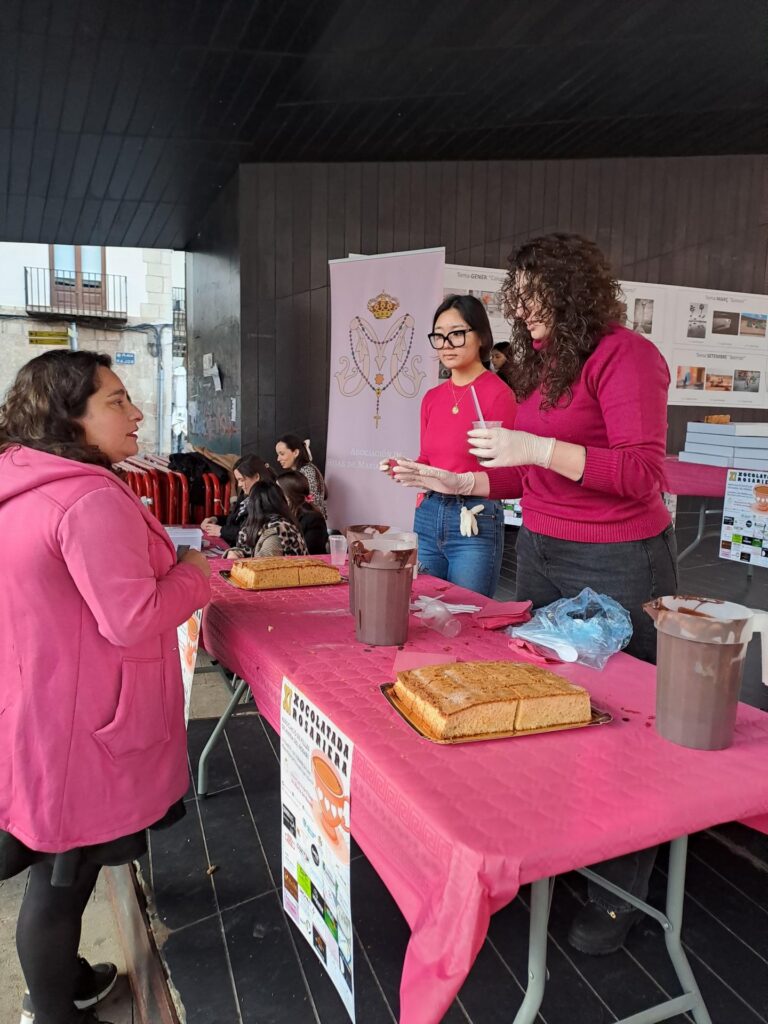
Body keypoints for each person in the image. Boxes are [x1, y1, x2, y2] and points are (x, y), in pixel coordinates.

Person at [391, 234, 678, 955]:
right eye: (515, 297)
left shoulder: (625, 357)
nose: (521, 309)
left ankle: (622, 888)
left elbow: (642, 473)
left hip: (619, 558)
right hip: (544, 552)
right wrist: (462, 481)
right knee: (554, 699)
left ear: (573, 288)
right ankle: (567, 842)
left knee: (626, 717)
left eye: (532, 293)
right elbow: (528, 474)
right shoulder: (541, 368)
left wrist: (540, 448)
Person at [0, 350, 211, 1024]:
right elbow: (134, 616)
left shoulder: (22, 479)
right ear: (69, 417)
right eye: (116, 401)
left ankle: (63, 982)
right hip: (80, 720)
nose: (136, 412)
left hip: (38, 699)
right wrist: (195, 570)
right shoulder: (88, 497)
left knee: (62, 861)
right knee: (63, 875)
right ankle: (52, 1011)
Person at [381, 294, 517, 597]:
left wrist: (462, 482)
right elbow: (428, 459)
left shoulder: (499, 395)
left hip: (474, 516)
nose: (445, 344)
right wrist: (408, 468)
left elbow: (511, 476)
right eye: (439, 336)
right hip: (429, 513)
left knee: (468, 611)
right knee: (424, 609)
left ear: (481, 337)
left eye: (456, 334)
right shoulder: (432, 398)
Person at [200, 454, 275, 545]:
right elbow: (235, 519)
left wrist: (222, 531)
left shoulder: (267, 500)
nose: (239, 484)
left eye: (242, 480)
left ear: (256, 477)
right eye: (238, 480)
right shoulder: (246, 494)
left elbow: (253, 532)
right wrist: (216, 519)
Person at [226, 480, 309, 558]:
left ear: (253, 505)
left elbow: (262, 564)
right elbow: (248, 551)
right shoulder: (265, 526)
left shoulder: (277, 531)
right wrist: (236, 553)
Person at [277, 470, 329, 555]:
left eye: (278, 491)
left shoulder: (314, 520)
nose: (275, 495)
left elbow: (311, 552)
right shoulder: (283, 515)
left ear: (289, 495)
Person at [274, 435, 327, 517]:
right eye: (278, 454)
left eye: (282, 454)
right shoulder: (308, 469)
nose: (278, 459)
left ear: (295, 453)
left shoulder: (307, 472)